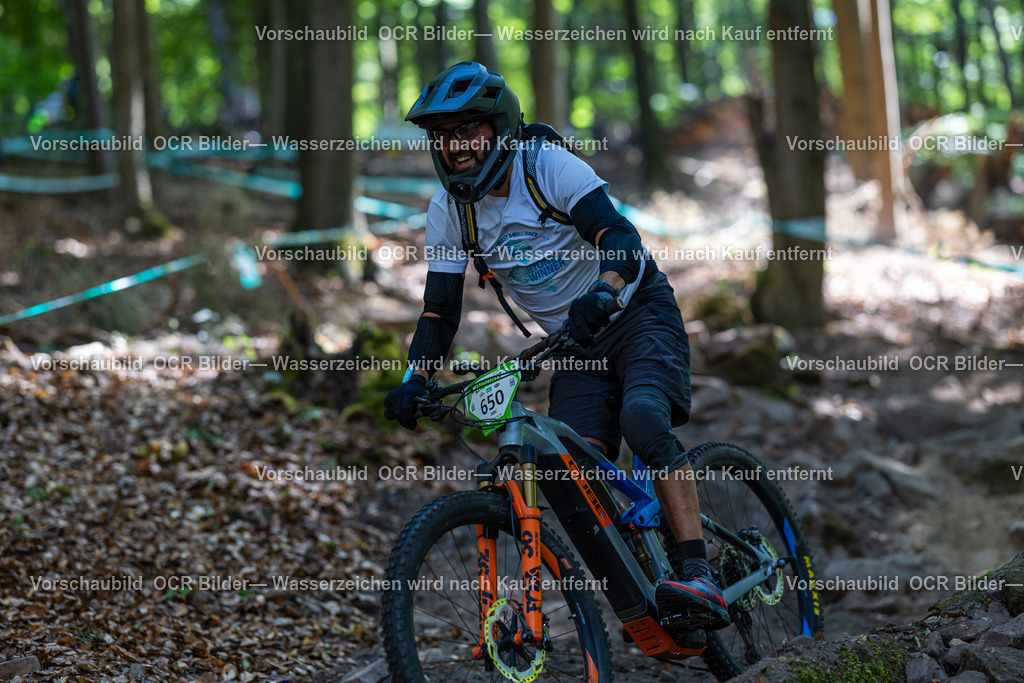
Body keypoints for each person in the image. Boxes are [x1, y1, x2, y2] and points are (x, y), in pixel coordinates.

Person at [384, 62, 729, 630]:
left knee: (644, 419)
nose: (456, 147)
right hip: (573, 343)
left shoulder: (545, 165)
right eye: (444, 137)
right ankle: (642, 577)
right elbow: (440, 311)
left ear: (499, 129)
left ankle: (699, 573)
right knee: (571, 472)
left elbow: (620, 237)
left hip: (636, 312)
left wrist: (605, 290)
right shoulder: (449, 211)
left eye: (468, 131)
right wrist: (413, 380)